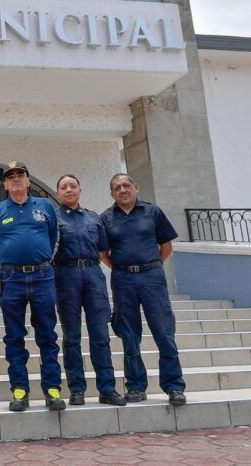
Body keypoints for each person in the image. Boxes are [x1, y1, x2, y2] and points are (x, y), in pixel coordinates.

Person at [100, 173, 186, 406]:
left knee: (164, 332)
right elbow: (103, 254)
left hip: (152, 278)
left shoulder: (153, 212)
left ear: (136, 188)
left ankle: (174, 386)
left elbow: (166, 245)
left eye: (126, 185)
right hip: (123, 279)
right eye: (117, 188)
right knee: (129, 335)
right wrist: (121, 268)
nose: (122, 190)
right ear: (112, 194)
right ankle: (136, 386)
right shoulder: (106, 218)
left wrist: (152, 265)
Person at [0, 161, 65, 412]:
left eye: (21, 175)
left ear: (29, 181)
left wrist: (44, 262)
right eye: (11, 177)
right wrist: (10, 265)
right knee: (14, 337)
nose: (16, 179)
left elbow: (55, 238)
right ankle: (19, 390)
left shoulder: (45, 206)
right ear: (5, 184)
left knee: (47, 335)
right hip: (12, 279)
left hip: (42, 277)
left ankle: (52, 389)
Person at [54, 174, 126, 407]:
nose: (69, 190)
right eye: (64, 187)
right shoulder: (52, 219)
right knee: (72, 337)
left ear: (80, 189)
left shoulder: (94, 218)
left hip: (93, 277)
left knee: (100, 335)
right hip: (66, 276)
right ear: (57, 193)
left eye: (73, 186)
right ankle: (77, 389)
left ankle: (107, 389)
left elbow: (103, 250)